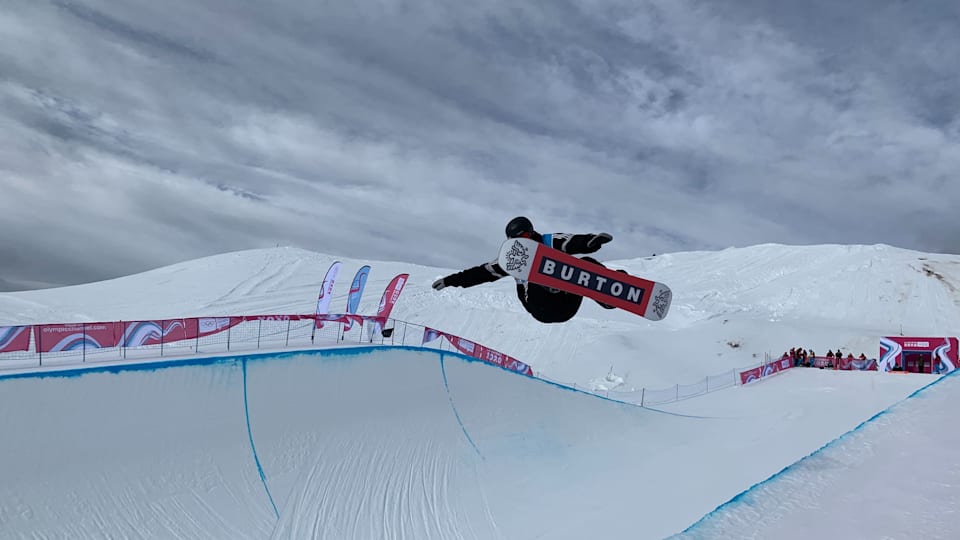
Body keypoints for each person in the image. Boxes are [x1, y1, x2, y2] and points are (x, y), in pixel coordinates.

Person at [431, 216, 615, 323]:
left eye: (526, 236)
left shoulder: (550, 241)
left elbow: (572, 241)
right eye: (516, 241)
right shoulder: (513, 258)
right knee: (533, 267)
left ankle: (610, 293)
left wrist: (591, 241)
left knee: (585, 263)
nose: (523, 243)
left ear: (532, 232)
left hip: (565, 305)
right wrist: (450, 280)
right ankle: (548, 284)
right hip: (540, 306)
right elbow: (480, 273)